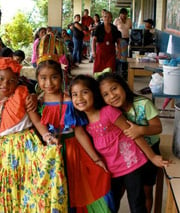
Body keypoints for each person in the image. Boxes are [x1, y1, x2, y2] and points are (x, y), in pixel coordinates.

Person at [0, 57, 68, 212]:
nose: (5, 84)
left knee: (30, 185)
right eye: (1, 79)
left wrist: (48, 137)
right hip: (5, 153)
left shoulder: (21, 95)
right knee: (12, 188)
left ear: (17, 82)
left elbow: (37, 121)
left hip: (26, 149)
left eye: (11, 80)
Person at [70, 74, 168, 213]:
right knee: (112, 203)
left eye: (85, 92)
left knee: (137, 204)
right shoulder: (82, 121)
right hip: (111, 169)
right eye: (74, 94)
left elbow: (133, 134)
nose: (79, 98)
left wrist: (152, 157)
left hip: (131, 164)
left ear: (94, 94)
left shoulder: (108, 112)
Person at [35, 43, 114, 212]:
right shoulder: (37, 102)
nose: (48, 82)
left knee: (75, 189)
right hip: (48, 153)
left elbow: (79, 132)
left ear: (62, 77)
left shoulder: (70, 102)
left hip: (71, 152)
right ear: (37, 79)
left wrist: (96, 158)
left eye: (54, 77)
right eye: (43, 78)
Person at [97, 72, 163, 212]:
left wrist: (140, 130)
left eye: (114, 88)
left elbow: (158, 127)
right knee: (119, 190)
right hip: (127, 156)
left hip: (149, 150)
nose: (112, 96)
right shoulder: (110, 111)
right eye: (106, 94)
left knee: (145, 190)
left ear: (123, 86)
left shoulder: (143, 103)